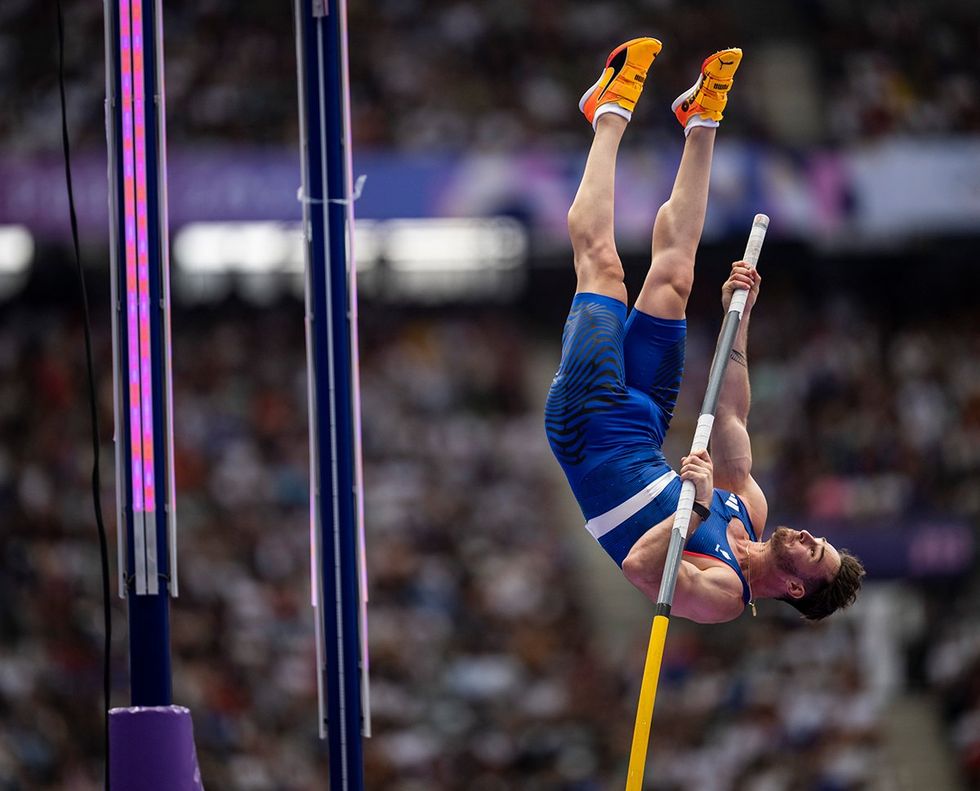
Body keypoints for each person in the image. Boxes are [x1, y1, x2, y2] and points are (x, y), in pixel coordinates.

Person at [545, 38, 865, 624]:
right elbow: (732, 416)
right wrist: (738, 315)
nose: (807, 535)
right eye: (819, 539)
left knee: (604, 268)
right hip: (645, 424)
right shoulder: (749, 510)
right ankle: (702, 118)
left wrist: (692, 512)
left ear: (796, 587)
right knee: (675, 278)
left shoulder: (724, 595)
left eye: (813, 550)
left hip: (588, 432)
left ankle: (607, 112)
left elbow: (641, 570)